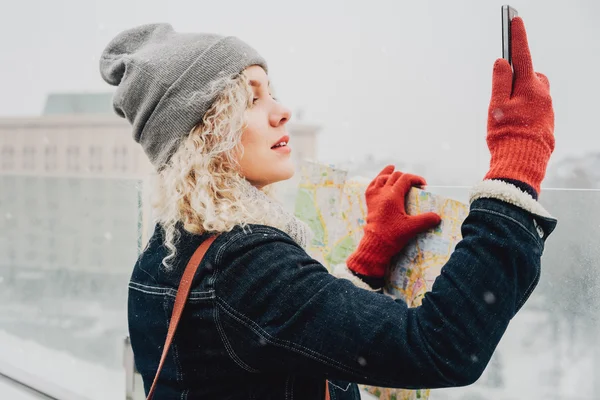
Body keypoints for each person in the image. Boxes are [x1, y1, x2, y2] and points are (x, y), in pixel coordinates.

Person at [100, 17, 556, 400]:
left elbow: (274, 340)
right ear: (203, 135)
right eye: (250, 99)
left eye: (271, 91)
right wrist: (517, 161)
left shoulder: (169, 247)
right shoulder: (244, 265)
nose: (282, 111)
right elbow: (440, 346)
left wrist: (370, 258)